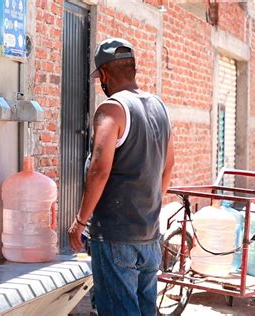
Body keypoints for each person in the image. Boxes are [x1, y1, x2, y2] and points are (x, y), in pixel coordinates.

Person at [68, 38, 175, 316]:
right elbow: (169, 166)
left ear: (103, 75)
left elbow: (99, 171)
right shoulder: (160, 107)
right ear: (134, 69)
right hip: (150, 237)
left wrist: (80, 221)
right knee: (144, 309)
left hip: (116, 237)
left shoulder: (111, 109)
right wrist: (150, 208)